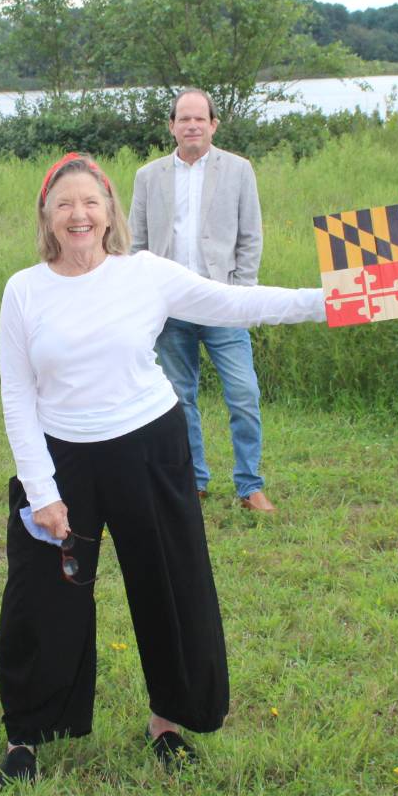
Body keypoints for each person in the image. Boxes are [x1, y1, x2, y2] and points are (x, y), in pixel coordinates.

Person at [0, 153, 326, 786]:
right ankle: (27, 735)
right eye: (64, 203)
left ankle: (169, 722)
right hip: (63, 460)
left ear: (110, 211)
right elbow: (18, 395)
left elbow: (238, 304)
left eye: (90, 201)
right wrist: (42, 489)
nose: (78, 215)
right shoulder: (24, 289)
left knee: (170, 586)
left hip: (149, 445)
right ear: (47, 215)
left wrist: (335, 300)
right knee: (41, 599)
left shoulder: (145, 274)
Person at [129, 89, 277, 511]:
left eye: (200, 119)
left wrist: (241, 292)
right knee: (179, 399)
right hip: (170, 308)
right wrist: (144, 296)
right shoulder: (148, 176)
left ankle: (250, 485)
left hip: (223, 302)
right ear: (171, 125)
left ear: (213, 124)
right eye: (183, 119)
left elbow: (250, 237)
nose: (192, 125)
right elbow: (135, 242)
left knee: (244, 393)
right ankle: (193, 481)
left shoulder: (239, 170)